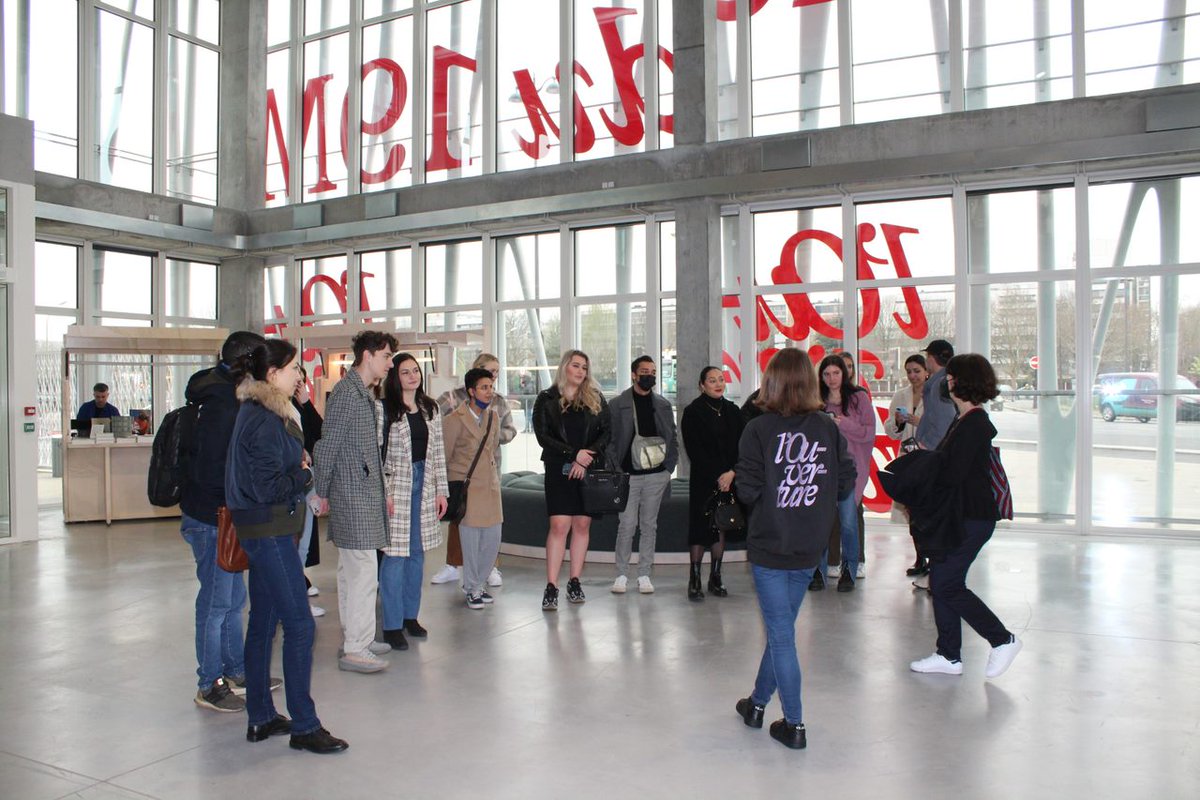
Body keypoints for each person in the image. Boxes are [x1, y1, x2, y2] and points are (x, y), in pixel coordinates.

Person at [225, 339, 348, 755]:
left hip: (268, 528)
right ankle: (304, 725)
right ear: (272, 374)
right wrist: (304, 474)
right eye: (295, 368)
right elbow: (265, 486)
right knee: (299, 626)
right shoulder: (262, 417)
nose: (301, 374)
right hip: (269, 530)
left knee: (263, 622)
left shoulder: (264, 411)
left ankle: (260, 716)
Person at [733, 349, 855, 751]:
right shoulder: (827, 426)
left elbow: (747, 489)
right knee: (780, 629)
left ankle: (796, 724)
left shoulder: (758, 429)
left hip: (770, 545)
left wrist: (773, 491)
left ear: (771, 382)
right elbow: (845, 480)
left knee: (782, 635)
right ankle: (756, 704)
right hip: (809, 545)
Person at [909, 354, 1022, 679]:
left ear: (961, 381)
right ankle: (949, 655)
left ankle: (1002, 639)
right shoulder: (966, 420)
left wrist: (924, 470)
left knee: (947, 583)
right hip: (964, 516)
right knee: (943, 581)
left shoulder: (973, 424)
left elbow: (952, 473)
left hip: (972, 517)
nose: (947, 381)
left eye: (952, 376)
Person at [179, 330, 268, 712]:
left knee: (234, 600)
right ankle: (209, 682)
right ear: (248, 362)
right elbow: (217, 468)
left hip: (223, 514)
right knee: (216, 603)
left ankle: (233, 671)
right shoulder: (222, 404)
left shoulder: (225, 396)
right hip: (213, 516)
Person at [313, 330, 399, 674]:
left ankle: (356, 637)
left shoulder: (360, 393)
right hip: (353, 494)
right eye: (387, 357)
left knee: (353, 572)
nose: (390, 364)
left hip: (360, 493)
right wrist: (321, 490)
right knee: (363, 572)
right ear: (368, 355)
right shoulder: (349, 394)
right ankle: (356, 647)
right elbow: (327, 444)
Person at [532, 350, 611, 610]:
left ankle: (574, 581)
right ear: (565, 367)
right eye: (575, 366)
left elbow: (606, 433)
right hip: (559, 469)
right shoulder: (547, 398)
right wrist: (573, 454)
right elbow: (543, 436)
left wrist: (585, 457)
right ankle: (551, 585)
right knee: (559, 526)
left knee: (582, 526)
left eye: (584, 367)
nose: (580, 371)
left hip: (587, 468)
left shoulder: (596, 398)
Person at [380, 353, 448, 649]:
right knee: (395, 555)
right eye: (405, 372)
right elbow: (377, 454)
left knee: (417, 554)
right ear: (395, 377)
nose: (412, 376)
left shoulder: (429, 408)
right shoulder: (385, 409)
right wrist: (384, 492)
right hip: (397, 487)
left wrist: (441, 490)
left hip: (425, 483)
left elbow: (438, 453)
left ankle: (410, 616)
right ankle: (392, 624)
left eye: (415, 371)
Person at [431, 353, 516, 589]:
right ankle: (454, 566)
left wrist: (493, 436)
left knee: (490, 526)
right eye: (489, 371)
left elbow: (510, 430)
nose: (494, 378)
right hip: (463, 475)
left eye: (497, 372)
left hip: (490, 470)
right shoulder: (453, 398)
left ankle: (488, 568)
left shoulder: (498, 403)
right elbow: (435, 419)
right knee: (461, 519)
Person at [606, 355, 678, 595]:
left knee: (649, 525)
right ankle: (621, 574)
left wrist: (669, 468)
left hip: (657, 475)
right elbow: (610, 440)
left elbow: (672, 437)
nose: (650, 376)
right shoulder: (617, 404)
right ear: (634, 374)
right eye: (645, 371)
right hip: (627, 476)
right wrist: (616, 468)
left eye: (653, 372)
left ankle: (645, 573)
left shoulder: (663, 405)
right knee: (626, 525)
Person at [680, 366, 745, 600]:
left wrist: (731, 473)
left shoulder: (733, 411)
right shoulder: (693, 412)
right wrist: (719, 476)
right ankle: (694, 578)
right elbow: (694, 451)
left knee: (721, 526)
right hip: (704, 480)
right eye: (711, 380)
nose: (718, 384)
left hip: (730, 479)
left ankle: (715, 577)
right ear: (702, 385)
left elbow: (742, 447)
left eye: (721, 379)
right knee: (700, 529)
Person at [443, 368, 504, 609]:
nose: (489, 392)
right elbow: (446, 456)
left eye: (491, 387)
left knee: (492, 540)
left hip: (490, 488)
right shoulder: (454, 420)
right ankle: (472, 587)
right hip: (467, 489)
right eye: (484, 387)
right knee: (470, 543)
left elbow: (493, 448)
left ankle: (478, 584)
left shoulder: (493, 418)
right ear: (471, 391)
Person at [814, 354, 873, 592]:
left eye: (836, 373)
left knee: (849, 522)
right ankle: (817, 571)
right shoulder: (817, 401)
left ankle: (849, 569)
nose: (831, 378)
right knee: (821, 523)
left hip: (851, 470)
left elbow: (869, 433)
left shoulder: (859, 398)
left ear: (845, 373)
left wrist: (842, 423)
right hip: (822, 471)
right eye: (826, 374)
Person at [884, 354, 929, 576]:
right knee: (912, 509)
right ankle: (920, 557)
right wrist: (898, 422)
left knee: (927, 510)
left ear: (926, 371)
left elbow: (941, 426)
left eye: (917, 371)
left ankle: (932, 557)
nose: (913, 376)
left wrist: (919, 422)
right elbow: (890, 431)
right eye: (909, 371)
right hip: (907, 457)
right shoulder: (900, 395)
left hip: (928, 457)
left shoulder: (935, 395)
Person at [293, 367, 324, 618]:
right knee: (292, 543)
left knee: (303, 542)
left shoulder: (302, 407)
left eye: (302, 380)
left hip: (307, 481)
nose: (298, 383)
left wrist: (307, 404)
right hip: (289, 485)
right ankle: (293, 600)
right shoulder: (274, 409)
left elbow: (320, 436)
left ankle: (299, 592)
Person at [915, 339, 957, 450]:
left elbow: (943, 424)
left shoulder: (939, 385)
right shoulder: (949, 380)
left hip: (934, 452)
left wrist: (925, 445)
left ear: (931, 358)